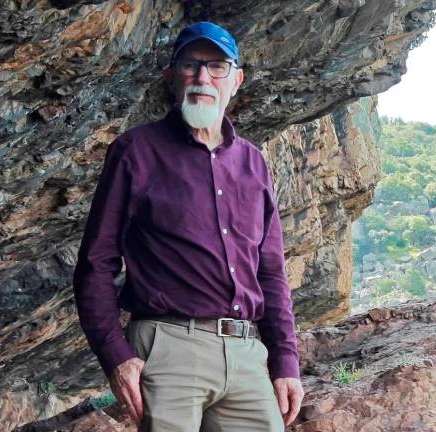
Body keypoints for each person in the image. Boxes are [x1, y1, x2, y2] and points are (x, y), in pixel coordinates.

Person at [72, 21, 304, 431]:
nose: (202, 78)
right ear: (171, 77)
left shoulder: (254, 163)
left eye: (217, 66)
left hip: (247, 353)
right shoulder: (135, 152)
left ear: (237, 80)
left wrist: (286, 362)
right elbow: (96, 262)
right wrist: (116, 356)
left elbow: (271, 272)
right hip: (167, 347)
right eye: (190, 65)